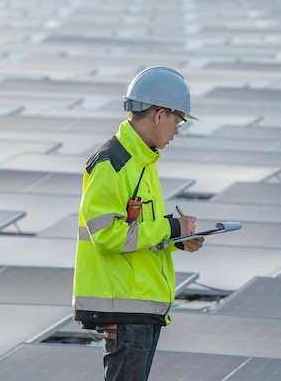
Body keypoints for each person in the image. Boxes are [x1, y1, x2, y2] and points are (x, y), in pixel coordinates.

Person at [72, 66, 205, 381]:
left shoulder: (142, 162)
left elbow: (135, 234)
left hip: (140, 307)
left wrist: (174, 240)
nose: (177, 130)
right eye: (178, 120)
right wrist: (171, 228)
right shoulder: (113, 164)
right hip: (124, 308)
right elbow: (106, 235)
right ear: (159, 115)